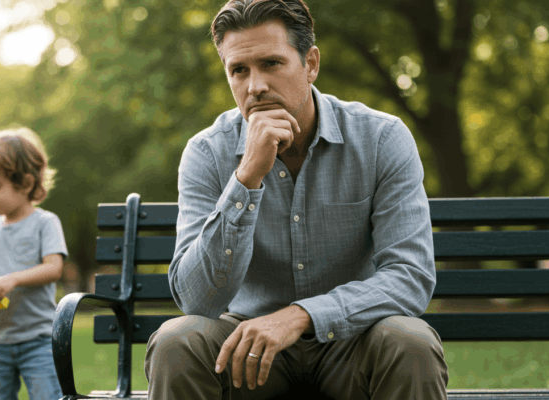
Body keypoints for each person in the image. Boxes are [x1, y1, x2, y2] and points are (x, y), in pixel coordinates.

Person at [145, 0, 448, 399]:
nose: (255, 86)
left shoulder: (381, 139)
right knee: (176, 341)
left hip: (353, 342)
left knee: (410, 341)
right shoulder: (206, 153)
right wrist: (246, 179)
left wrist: (301, 316)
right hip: (247, 348)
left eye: (271, 63)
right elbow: (196, 300)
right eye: (239, 70)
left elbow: (410, 276)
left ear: (311, 64)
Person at [0, 127, 67, 400]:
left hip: (38, 339)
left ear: (26, 184)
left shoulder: (45, 223)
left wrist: (13, 279)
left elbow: (54, 268)